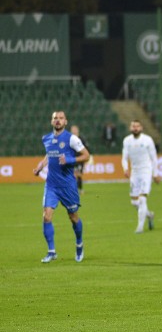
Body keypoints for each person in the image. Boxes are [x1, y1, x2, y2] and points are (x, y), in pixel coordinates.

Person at [33, 111, 90, 263]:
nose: (57, 120)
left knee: (73, 217)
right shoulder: (47, 138)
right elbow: (49, 154)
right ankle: (51, 251)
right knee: (46, 216)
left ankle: (79, 244)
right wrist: (41, 165)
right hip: (51, 185)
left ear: (66, 122)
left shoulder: (72, 139)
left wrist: (70, 159)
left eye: (60, 118)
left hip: (67, 186)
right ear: (52, 122)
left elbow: (86, 156)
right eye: (55, 118)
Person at [122, 120, 160, 234]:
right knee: (134, 202)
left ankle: (140, 227)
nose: (135, 128)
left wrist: (155, 173)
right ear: (130, 128)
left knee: (142, 199)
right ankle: (149, 215)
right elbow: (124, 157)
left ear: (141, 128)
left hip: (146, 172)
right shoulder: (127, 141)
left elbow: (154, 157)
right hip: (135, 173)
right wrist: (125, 168)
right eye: (133, 126)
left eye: (137, 126)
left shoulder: (147, 140)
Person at [70, 125, 90, 194]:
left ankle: (80, 189)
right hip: (72, 159)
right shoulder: (70, 139)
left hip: (80, 159)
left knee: (79, 174)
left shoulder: (81, 139)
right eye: (73, 129)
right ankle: (75, 190)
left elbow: (86, 149)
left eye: (75, 129)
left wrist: (86, 159)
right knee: (73, 175)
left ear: (78, 130)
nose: (74, 130)